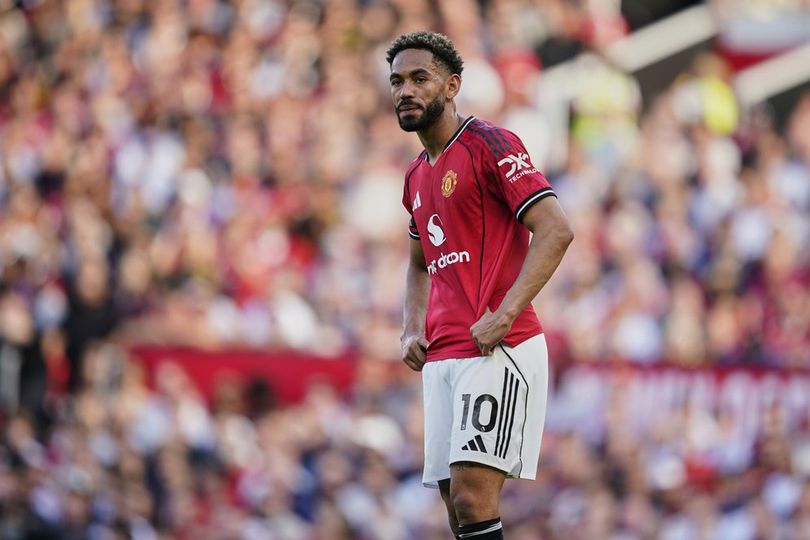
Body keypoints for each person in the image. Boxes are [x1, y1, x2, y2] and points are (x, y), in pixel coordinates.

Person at [387, 31, 573, 539]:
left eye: (420, 78)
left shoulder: (489, 143)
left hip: (498, 344)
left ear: (452, 86)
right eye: (398, 81)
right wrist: (411, 327)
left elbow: (556, 229)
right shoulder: (415, 175)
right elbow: (418, 264)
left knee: (473, 498)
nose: (406, 90)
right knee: (457, 510)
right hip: (442, 353)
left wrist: (505, 313)